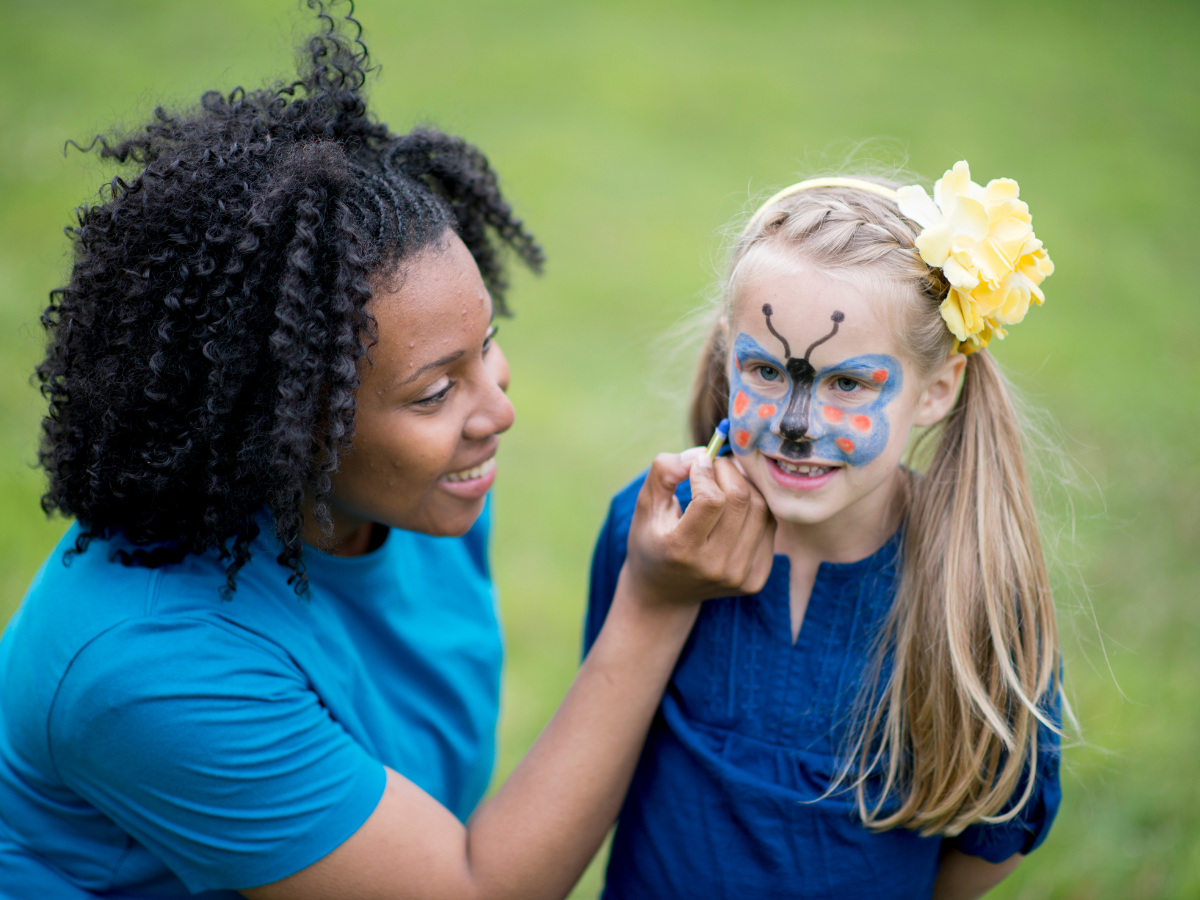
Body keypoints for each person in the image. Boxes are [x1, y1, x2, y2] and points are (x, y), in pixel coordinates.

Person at [0, 7, 777, 899]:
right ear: (286, 428)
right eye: (435, 391)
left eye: (485, 346)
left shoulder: (407, 498)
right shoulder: (145, 663)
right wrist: (651, 605)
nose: (498, 410)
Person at [585, 165, 1064, 899]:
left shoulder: (977, 588)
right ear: (726, 355)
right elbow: (599, 744)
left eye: (848, 384)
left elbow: (998, 830)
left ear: (936, 391)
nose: (794, 425)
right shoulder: (655, 531)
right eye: (766, 371)